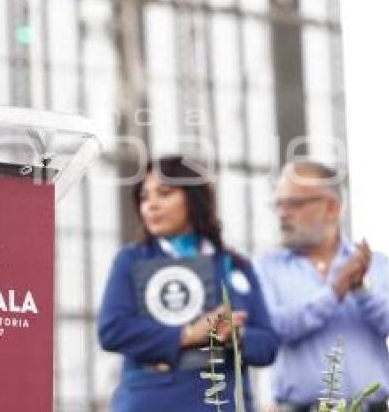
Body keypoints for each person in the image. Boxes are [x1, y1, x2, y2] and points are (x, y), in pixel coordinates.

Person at [98, 155, 278, 411]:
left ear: (194, 197)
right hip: (150, 401)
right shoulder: (131, 259)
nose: (151, 205)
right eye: (144, 197)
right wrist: (188, 335)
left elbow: (268, 345)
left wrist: (235, 335)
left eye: (164, 193)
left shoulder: (233, 265)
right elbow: (112, 330)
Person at [255, 160, 389, 411]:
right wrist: (333, 293)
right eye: (278, 204)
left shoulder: (374, 264)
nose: (283, 213)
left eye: (294, 204)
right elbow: (272, 329)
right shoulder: (266, 267)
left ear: (331, 207)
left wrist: (362, 290)